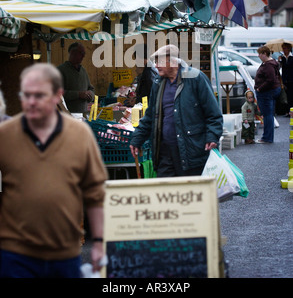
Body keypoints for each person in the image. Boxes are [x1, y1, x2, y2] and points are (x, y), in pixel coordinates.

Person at [0, 63, 108, 278]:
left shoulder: (79, 135)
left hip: (65, 252)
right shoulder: (7, 134)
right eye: (26, 95)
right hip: (16, 253)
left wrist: (98, 243)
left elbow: (95, 194)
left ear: (58, 95)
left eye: (39, 95)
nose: (31, 102)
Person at [129, 44, 223, 177]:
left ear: (173, 62)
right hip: (164, 153)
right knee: (166, 193)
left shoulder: (195, 78)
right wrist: (137, 139)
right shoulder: (158, 83)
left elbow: (213, 113)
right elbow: (150, 116)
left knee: (190, 194)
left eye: (160, 61)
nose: (156, 66)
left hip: (191, 151)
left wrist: (212, 136)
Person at [254, 45, 281, 144]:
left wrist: (260, 88)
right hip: (272, 91)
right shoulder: (271, 63)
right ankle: (268, 137)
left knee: (267, 115)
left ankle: (267, 138)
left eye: (260, 54)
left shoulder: (268, 65)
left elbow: (270, 80)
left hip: (267, 92)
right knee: (269, 114)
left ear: (265, 54)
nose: (258, 56)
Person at [58, 42, 95, 114]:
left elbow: (91, 89)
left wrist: (90, 94)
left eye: (84, 53)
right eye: (81, 53)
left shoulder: (83, 71)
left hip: (83, 114)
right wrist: (78, 94)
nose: (83, 56)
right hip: (67, 115)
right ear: (72, 53)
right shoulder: (60, 70)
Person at [278, 42, 293, 115]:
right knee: (285, 95)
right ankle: (287, 110)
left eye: (285, 48)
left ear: (289, 49)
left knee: (291, 95)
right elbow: (279, 68)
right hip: (284, 79)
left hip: (291, 78)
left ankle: (291, 110)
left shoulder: (291, 57)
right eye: (283, 48)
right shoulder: (282, 58)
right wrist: (279, 61)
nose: (284, 50)